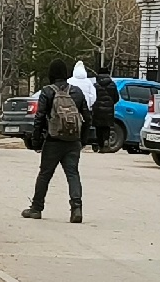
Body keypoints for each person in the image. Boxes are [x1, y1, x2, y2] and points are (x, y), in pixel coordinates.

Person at [24, 59, 86, 223]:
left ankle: (36, 208)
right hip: (73, 140)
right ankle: (76, 208)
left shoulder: (47, 92)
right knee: (73, 174)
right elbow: (87, 117)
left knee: (45, 174)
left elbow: (39, 118)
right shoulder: (77, 92)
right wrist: (83, 140)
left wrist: (36, 141)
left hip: (53, 140)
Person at [93, 66, 121, 149]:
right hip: (109, 110)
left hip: (97, 110)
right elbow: (116, 98)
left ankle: (100, 144)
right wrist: (110, 104)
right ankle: (106, 140)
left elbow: (93, 97)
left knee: (98, 127)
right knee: (107, 126)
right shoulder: (112, 85)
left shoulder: (95, 85)